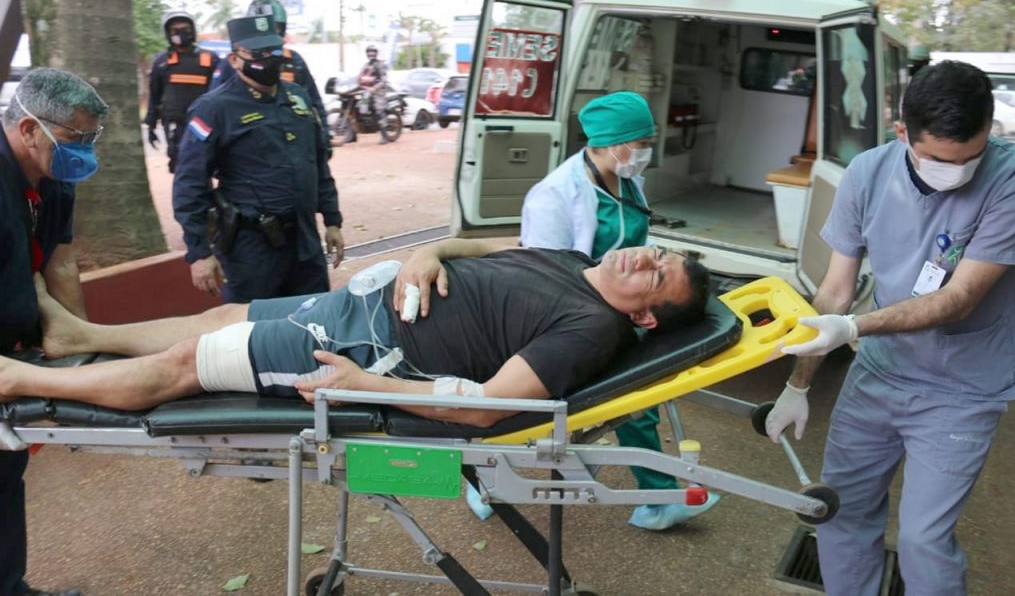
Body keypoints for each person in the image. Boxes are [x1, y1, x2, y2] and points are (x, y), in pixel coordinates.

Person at [764, 61, 1015, 596]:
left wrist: (852, 325)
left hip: (963, 387)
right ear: (902, 131)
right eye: (939, 160)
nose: (958, 172)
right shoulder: (868, 172)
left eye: (971, 157)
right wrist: (798, 384)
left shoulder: (1012, 179)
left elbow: (959, 299)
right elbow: (835, 291)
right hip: (880, 373)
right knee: (840, 511)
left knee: (924, 540)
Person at [0, 240, 709, 428]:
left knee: (190, 362)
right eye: (657, 253)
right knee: (220, 316)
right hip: (360, 304)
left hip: (364, 350)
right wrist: (428, 253)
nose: (643, 260)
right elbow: (476, 244)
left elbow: (492, 405)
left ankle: (19, 379)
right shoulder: (573, 261)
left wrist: (364, 385)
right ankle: (76, 336)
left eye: (656, 277)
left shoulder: (590, 328)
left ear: (645, 317)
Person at [509, 91, 719, 531]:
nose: (646, 152)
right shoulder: (554, 197)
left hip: (623, 308)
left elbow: (636, 241)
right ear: (609, 143)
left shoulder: (627, 181)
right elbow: (543, 278)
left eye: (648, 143)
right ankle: (658, 500)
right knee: (633, 399)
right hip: (577, 316)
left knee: (642, 395)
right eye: (641, 143)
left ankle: (656, 496)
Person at [0, 68, 108, 596]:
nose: (83, 152)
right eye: (74, 138)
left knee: (5, 475)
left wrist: (80, 349)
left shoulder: (54, 178)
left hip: (13, 351)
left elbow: (61, 263)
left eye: (90, 139)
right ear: (28, 129)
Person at [173, 15, 344, 304]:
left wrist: (332, 221)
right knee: (252, 326)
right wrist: (199, 252)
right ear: (234, 60)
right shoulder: (214, 108)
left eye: (274, 50)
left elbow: (317, 165)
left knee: (314, 319)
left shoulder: (299, 99)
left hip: (305, 243)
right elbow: (189, 183)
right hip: (251, 249)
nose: (269, 59)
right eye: (258, 54)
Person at [210, 0, 331, 152]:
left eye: (275, 28)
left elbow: (314, 102)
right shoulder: (235, 62)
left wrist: (324, 139)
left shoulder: (293, 60)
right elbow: (214, 107)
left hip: (293, 142)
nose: (268, 34)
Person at [143, 9, 220, 173]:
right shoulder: (162, 62)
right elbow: (154, 96)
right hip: (174, 124)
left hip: (205, 122)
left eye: (185, 29)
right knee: (179, 164)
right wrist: (151, 126)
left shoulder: (210, 59)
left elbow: (221, 93)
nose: (180, 33)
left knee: (205, 164)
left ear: (193, 30)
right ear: (168, 34)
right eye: (175, 30)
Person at [356, 44, 390, 144]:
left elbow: (384, 80)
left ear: (376, 53)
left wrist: (374, 88)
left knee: (379, 111)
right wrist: (358, 83)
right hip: (366, 91)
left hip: (378, 92)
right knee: (359, 108)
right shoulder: (366, 65)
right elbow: (359, 77)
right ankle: (352, 135)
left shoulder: (380, 65)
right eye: (369, 52)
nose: (371, 54)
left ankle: (385, 136)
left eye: (372, 52)